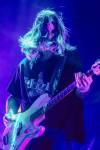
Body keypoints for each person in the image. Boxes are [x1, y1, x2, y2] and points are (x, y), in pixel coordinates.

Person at [3, 9, 93, 150]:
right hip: (26, 135)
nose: (48, 40)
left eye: (52, 34)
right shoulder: (24, 65)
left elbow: (78, 94)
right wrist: (11, 115)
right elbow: (13, 97)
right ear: (36, 35)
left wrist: (84, 88)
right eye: (44, 35)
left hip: (57, 135)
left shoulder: (67, 63)